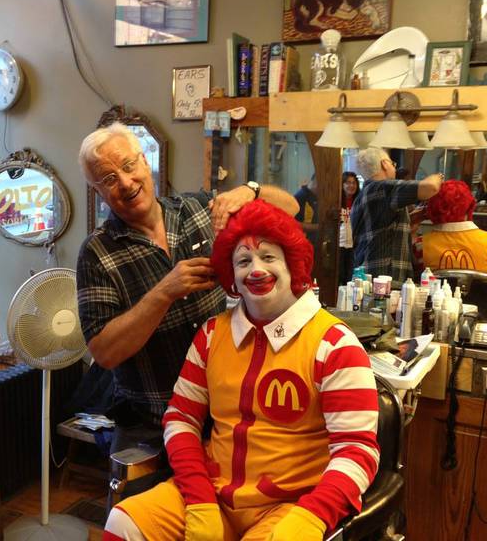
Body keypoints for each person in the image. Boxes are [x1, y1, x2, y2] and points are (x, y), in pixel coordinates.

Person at [103, 200, 379, 541]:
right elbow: (180, 419)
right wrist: (199, 498)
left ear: (292, 263)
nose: (256, 270)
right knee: (123, 523)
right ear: (231, 274)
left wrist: (312, 516)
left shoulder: (335, 345)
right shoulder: (211, 335)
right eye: (243, 261)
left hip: (289, 505)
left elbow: (357, 450)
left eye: (268, 257)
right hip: (212, 494)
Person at [76, 123, 298, 457]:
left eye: (127, 166)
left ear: (144, 161)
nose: (125, 182)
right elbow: (105, 353)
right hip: (148, 429)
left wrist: (249, 191)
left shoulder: (200, 209)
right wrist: (163, 293)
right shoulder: (97, 253)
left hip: (227, 416)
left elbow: (290, 208)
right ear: (97, 191)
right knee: (138, 510)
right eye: (108, 179)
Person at [351, 147, 443, 283]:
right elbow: (431, 187)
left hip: (368, 274)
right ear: (385, 164)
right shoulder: (384, 188)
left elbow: (381, 228)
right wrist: (438, 177)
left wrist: (410, 221)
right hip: (384, 279)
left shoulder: (363, 195)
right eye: (393, 164)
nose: (395, 169)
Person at [413, 180, 487, 294]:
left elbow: (414, 286)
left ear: (432, 208)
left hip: (435, 310)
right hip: (482, 310)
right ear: (470, 206)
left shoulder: (421, 245)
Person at [339, 171, 359, 284]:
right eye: (348, 183)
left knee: (350, 277)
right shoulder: (336, 201)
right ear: (342, 184)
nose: (351, 185)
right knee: (339, 276)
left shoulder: (359, 201)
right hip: (339, 245)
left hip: (354, 245)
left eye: (354, 183)